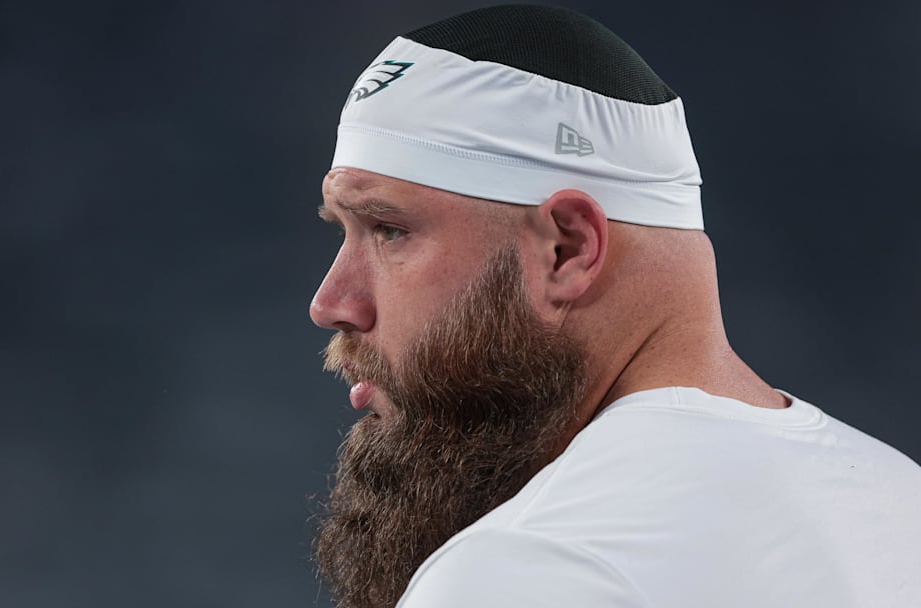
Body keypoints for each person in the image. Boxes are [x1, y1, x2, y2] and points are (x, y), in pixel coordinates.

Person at [307, 5, 921, 608]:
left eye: (389, 230)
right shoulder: (901, 500)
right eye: (344, 231)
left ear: (567, 250)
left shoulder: (530, 568)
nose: (330, 303)